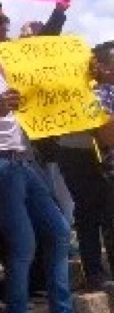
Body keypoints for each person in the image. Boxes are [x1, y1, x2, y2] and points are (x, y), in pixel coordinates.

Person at [0, 0, 83, 313]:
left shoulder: (12, 63)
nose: (4, 26)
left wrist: (58, 12)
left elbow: (46, 52)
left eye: (5, 20)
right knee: (23, 245)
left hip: (24, 160)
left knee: (58, 231)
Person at [56, 40, 114, 291]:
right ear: (100, 66)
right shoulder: (92, 94)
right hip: (82, 157)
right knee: (93, 214)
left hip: (99, 159)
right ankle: (95, 274)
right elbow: (106, 135)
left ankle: (99, 273)